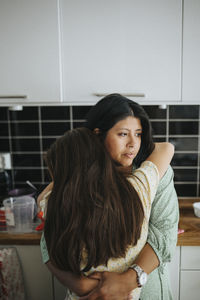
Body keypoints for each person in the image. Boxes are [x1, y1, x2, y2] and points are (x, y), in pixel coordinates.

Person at [39, 94, 179, 300]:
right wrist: (77, 284)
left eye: (139, 134)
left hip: (146, 292)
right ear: (98, 136)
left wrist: (127, 281)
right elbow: (49, 239)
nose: (133, 143)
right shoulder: (76, 181)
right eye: (123, 134)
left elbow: (164, 236)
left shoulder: (156, 173)